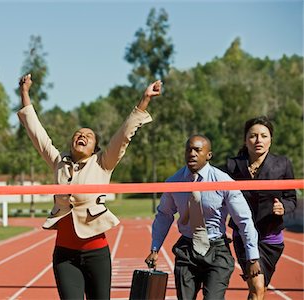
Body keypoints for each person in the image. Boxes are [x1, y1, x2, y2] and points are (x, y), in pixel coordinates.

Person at [18, 73, 161, 299]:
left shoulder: (103, 162)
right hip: (64, 255)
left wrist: (145, 100)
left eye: (88, 136)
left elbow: (124, 135)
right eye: (78, 135)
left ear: (95, 147)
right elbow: (38, 134)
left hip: (96, 254)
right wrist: (25, 93)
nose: (81, 136)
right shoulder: (58, 162)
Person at [145, 134, 260, 300]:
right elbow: (164, 215)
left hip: (217, 249)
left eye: (197, 150)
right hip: (187, 249)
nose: (192, 153)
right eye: (188, 150)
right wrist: (155, 248)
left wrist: (252, 256)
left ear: (209, 155)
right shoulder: (174, 182)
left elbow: (244, 220)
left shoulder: (223, 181)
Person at [226, 116, 296, 300]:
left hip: (271, 237)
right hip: (244, 236)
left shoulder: (283, 164)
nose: (258, 140)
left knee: (259, 289)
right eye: (253, 136)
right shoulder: (232, 165)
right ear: (245, 140)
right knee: (257, 288)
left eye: (264, 136)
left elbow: (291, 198)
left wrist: (283, 207)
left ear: (270, 139)